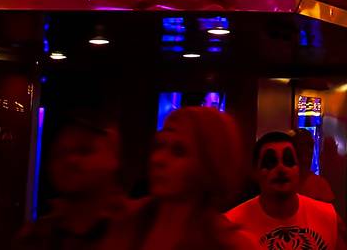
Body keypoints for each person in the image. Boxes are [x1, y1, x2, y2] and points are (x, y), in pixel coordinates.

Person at [101, 106, 259, 250]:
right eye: (159, 145)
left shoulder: (228, 244)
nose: (158, 159)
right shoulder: (123, 220)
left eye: (178, 151)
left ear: (210, 163)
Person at [14, 113, 127, 250]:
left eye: (84, 150)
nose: (70, 160)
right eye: (61, 153)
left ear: (113, 157)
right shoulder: (35, 237)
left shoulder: (137, 229)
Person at [226, 131, 347, 250]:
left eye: (288, 160)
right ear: (255, 171)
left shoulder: (329, 219)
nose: (281, 168)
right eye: (270, 162)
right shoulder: (232, 225)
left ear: (298, 168)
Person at [293, 129, 335, 203]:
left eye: (309, 145)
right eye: (301, 144)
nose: (306, 149)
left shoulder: (321, 185)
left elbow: (329, 213)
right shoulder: (286, 182)